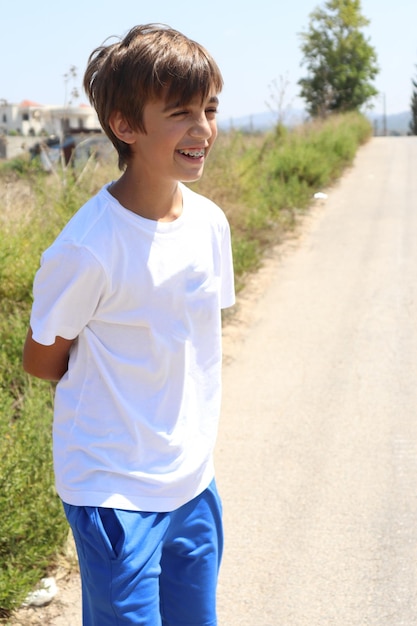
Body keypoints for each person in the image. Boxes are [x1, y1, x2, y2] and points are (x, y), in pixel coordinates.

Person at [23, 23, 235, 626]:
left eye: (210, 109)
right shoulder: (89, 247)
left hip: (192, 481)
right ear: (125, 125)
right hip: (113, 490)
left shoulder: (210, 225)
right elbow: (41, 361)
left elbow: (187, 340)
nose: (202, 129)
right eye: (180, 112)